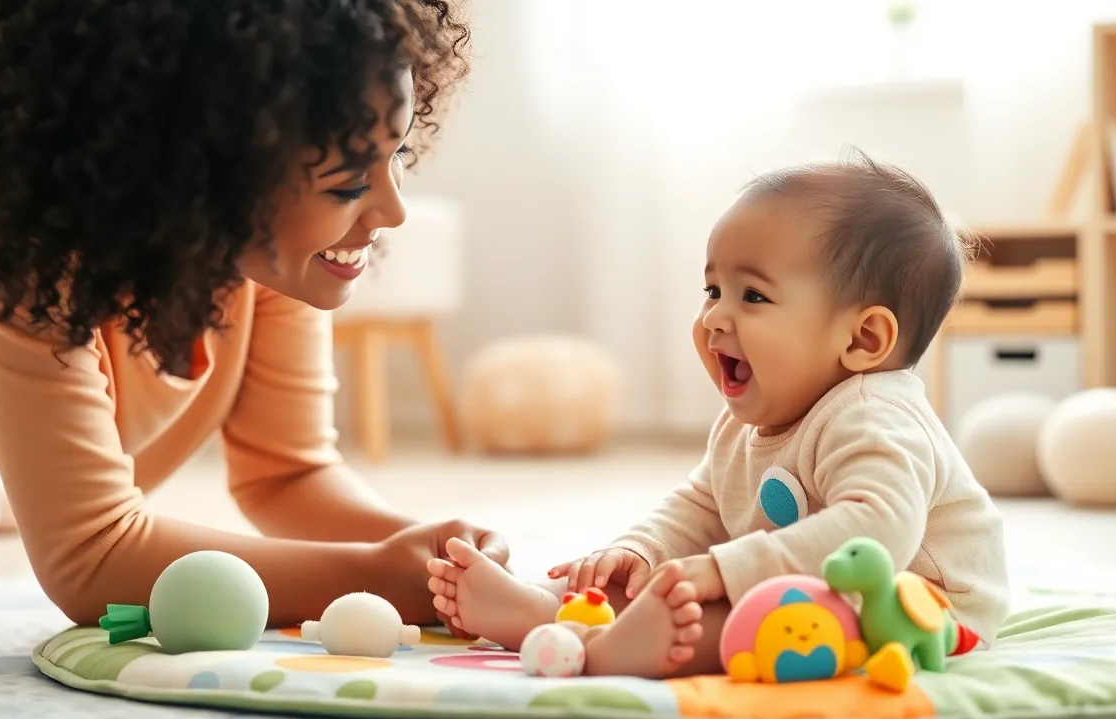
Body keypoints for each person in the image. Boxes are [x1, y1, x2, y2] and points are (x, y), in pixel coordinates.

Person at [0, 0, 508, 630]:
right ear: (201, 174)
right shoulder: (5, 198)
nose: (393, 212)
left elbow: (286, 477)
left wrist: (440, 562)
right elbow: (90, 560)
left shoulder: (262, 190)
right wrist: (380, 578)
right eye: (347, 184)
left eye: (399, 155)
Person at [429, 150, 1010, 677]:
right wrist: (639, 551)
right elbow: (702, 507)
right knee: (680, 584)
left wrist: (727, 570)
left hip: (916, 607)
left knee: (765, 614)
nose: (714, 319)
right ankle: (551, 613)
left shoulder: (874, 417)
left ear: (862, 339)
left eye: (752, 296)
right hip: (809, 582)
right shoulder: (748, 422)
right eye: (712, 291)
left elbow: (875, 532)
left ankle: (611, 648)